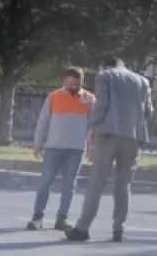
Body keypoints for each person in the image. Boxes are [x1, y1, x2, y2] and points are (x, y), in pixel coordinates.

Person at [65, 57, 154, 243]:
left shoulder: (105, 76)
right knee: (124, 186)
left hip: (107, 134)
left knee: (97, 181)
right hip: (133, 137)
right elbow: (148, 112)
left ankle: (82, 228)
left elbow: (101, 104)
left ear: (107, 66)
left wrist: (92, 125)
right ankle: (118, 230)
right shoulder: (143, 81)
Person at [26, 67, 93, 231]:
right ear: (64, 81)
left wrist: (92, 147)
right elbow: (43, 122)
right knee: (46, 182)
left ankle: (62, 219)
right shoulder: (53, 97)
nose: (73, 86)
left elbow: (93, 127)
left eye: (76, 83)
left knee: (70, 185)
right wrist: (38, 143)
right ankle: (37, 217)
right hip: (53, 148)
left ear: (81, 82)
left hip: (76, 150)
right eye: (70, 82)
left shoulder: (90, 99)